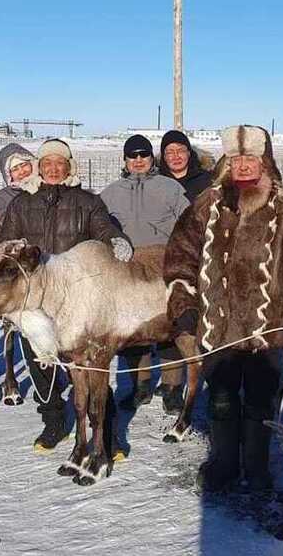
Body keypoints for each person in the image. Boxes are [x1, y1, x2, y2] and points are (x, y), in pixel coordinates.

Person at [165, 125, 283, 492]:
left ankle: (256, 466)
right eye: (236, 159)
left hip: (266, 329)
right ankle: (224, 462)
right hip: (217, 327)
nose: (242, 166)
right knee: (220, 398)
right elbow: (180, 258)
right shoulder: (208, 203)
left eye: (249, 158)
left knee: (260, 401)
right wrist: (185, 303)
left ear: (263, 160)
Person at [0, 138, 132, 452]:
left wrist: (116, 239)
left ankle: (106, 431)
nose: (54, 169)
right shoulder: (21, 203)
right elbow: (7, 244)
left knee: (89, 366)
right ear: (40, 167)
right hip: (33, 297)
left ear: (69, 166)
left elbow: (102, 227)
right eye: (48, 164)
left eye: (60, 163)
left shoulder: (86, 201)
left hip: (77, 297)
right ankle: (54, 423)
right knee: (40, 365)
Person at [101, 134, 190, 414]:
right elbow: (99, 226)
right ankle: (140, 386)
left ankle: (173, 388)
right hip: (126, 265)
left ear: (152, 159)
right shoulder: (110, 192)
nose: (138, 160)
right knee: (131, 329)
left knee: (167, 326)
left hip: (164, 261)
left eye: (143, 155)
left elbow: (190, 221)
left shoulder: (170, 187)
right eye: (132, 156)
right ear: (125, 160)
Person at [0, 143, 41, 223]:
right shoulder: (3, 197)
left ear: (32, 164)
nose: (22, 171)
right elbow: (2, 224)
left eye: (24, 165)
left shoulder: (47, 185)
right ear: (8, 174)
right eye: (15, 169)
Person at [158, 130, 212, 202]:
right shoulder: (156, 182)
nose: (176, 156)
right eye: (170, 152)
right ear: (164, 157)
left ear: (189, 153)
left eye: (181, 151)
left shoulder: (207, 181)